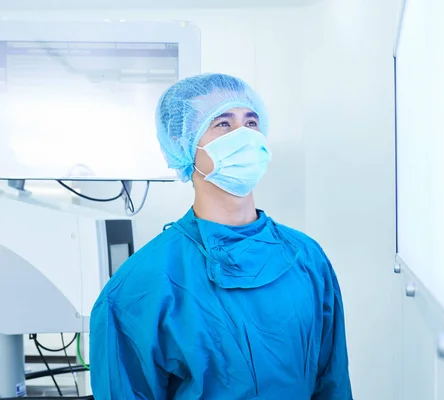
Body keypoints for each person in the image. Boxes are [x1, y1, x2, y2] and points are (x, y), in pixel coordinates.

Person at [89, 73, 353, 399]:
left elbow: (332, 383)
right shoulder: (141, 286)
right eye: (224, 125)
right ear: (184, 143)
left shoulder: (306, 258)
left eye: (252, 122)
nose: (244, 136)